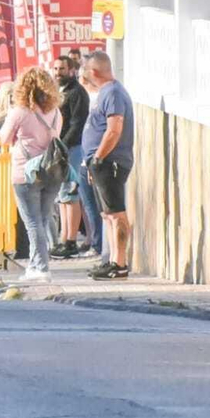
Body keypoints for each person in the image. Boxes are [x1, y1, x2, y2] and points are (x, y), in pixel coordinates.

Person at [0, 66, 63, 282]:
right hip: (52, 172)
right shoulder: (56, 113)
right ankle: (36, 265)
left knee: (32, 222)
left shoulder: (20, 112)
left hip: (25, 172)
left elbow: (4, 138)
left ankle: (41, 268)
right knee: (43, 219)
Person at [81, 51, 134, 280]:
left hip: (110, 161)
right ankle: (112, 260)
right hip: (100, 162)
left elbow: (114, 128)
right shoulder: (104, 92)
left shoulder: (112, 92)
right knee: (107, 215)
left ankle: (120, 263)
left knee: (116, 214)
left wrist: (99, 157)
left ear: (93, 71)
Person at [52, 53, 94, 259]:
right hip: (61, 148)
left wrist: (64, 144)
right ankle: (63, 238)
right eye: (56, 69)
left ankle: (70, 240)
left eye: (62, 69)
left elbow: (77, 123)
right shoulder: (59, 91)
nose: (58, 73)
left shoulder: (77, 92)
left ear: (71, 70)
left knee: (71, 193)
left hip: (74, 148)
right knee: (62, 196)